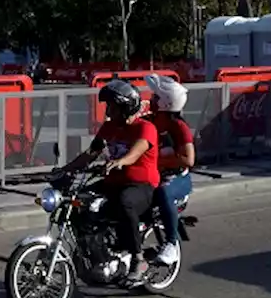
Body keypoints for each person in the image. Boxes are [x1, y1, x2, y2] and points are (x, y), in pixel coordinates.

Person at [58, 79, 160, 283]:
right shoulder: (109, 127)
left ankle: (138, 260)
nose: (108, 111)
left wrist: (121, 161)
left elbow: (136, 152)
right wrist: (64, 170)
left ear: (126, 107)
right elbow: (90, 153)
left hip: (140, 185)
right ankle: (93, 253)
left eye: (112, 106)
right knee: (77, 202)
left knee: (125, 202)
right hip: (112, 182)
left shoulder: (145, 128)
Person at [145, 74, 194, 266]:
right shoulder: (151, 121)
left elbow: (188, 159)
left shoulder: (179, 127)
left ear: (165, 102)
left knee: (163, 191)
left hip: (177, 179)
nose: (151, 100)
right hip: (154, 174)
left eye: (155, 97)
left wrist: (159, 160)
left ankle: (171, 243)